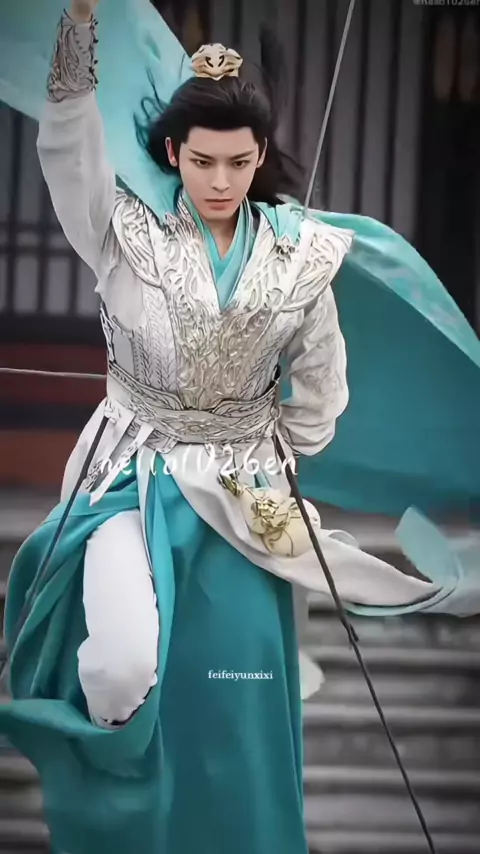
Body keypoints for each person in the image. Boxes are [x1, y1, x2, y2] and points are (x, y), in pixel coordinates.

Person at [0, 1, 479, 853]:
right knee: (119, 667)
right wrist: (78, 26)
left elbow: (322, 393)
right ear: (173, 155)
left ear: (259, 157)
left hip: (244, 508)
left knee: (234, 706)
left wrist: (264, 448)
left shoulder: (299, 258)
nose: (220, 180)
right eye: (203, 161)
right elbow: (68, 140)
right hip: (130, 485)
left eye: (238, 161)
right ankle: (119, 822)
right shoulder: (124, 232)